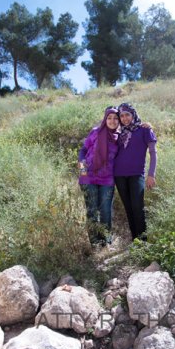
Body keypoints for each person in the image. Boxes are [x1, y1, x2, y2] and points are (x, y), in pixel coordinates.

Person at [114, 103, 157, 241]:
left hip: (136, 175)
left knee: (138, 209)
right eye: (122, 115)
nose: (125, 118)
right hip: (119, 176)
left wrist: (151, 174)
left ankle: (144, 243)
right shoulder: (118, 133)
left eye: (127, 114)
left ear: (133, 114)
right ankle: (136, 242)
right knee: (129, 210)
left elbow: (153, 153)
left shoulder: (145, 130)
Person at [78, 106, 119, 247]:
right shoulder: (96, 132)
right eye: (109, 118)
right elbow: (83, 151)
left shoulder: (120, 138)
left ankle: (106, 242)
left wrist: (145, 125)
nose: (112, 121)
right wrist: (82, 170)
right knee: (92, 211)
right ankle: (94, 243)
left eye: (115, 118)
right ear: (105, 119)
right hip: (88, 177)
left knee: (106, 211)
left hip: (107, 180)